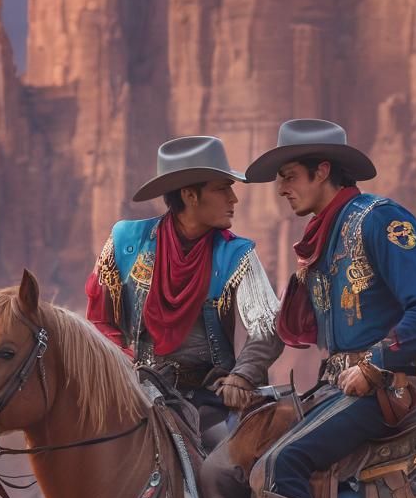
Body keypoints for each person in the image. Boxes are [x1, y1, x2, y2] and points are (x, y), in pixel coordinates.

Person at [204, 119, 416, 498]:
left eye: (290, 175)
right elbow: (277, 330)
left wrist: (377, 364)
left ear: (323, 170)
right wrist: (246, 374)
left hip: (387, 388)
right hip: (333, 387)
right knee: (229, 459)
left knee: (282, 460)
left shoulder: (381, 220)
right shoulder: (319, 241)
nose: (281, 188)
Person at [86, 135, 282, 442]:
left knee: (225, 476)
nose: (234, 198)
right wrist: (126, 367)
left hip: (212, 400)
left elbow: (267, 325)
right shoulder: (126, 242)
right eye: (222, 188)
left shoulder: (236, 253)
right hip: (137, 394)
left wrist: (241, 376)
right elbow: (100, 321)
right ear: (190, 195)